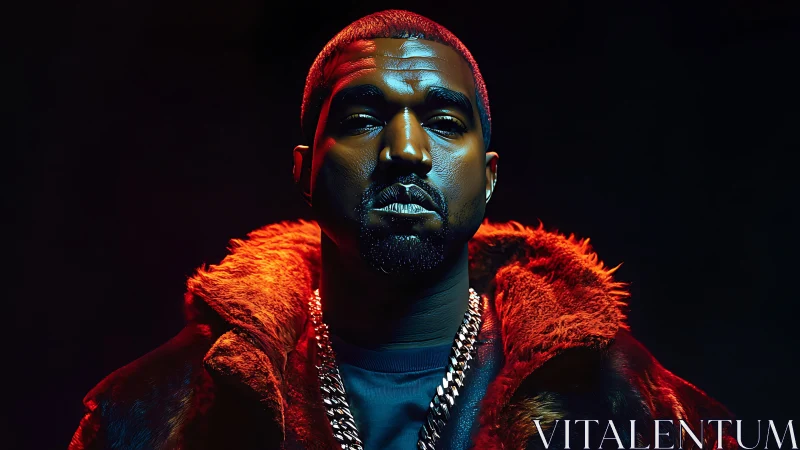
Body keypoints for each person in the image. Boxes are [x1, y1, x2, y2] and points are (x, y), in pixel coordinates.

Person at [69, 10, 736, 450]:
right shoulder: (156, 414)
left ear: (490, 177)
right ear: (305, 169)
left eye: (445, 123)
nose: (408, 150)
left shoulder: (634, 407)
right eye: (363, 119)